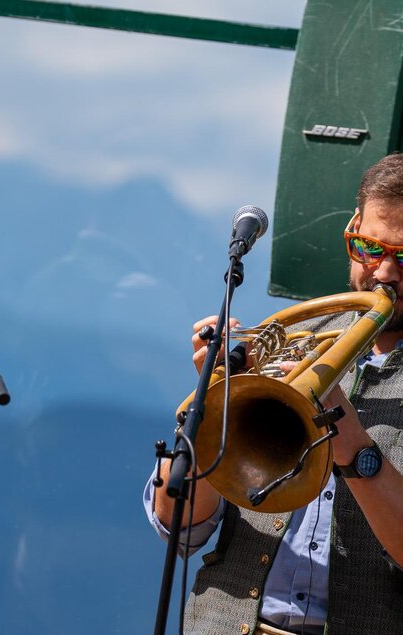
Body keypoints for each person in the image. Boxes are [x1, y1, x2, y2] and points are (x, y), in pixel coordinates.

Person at [144, 153, 403, 635]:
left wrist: (353, 448)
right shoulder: (292, 335)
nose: (384, 272)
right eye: (370, 248)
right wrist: (215, 397)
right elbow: (176, 524)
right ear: (351, 235)